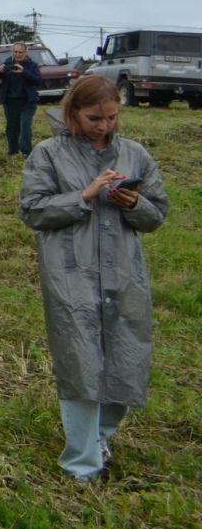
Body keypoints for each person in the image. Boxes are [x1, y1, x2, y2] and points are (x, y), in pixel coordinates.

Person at [19, 75, 170, 482]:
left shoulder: (135, 154)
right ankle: (81, 464)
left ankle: (103, 436)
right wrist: (83, 196)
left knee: (127, 356)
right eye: (93, 118)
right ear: (72, 113)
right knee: (81, 363)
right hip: (70, 273)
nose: (103, 126)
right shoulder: (48, 153)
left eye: (111, 117)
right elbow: (33, 210)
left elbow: (157, 215)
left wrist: (135, 202)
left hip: (124, 272)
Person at [0, 41, 44, 157]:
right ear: (12, 52)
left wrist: (24, 72)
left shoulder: (31, 65)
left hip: (27, 102)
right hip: (10, 101)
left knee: (25, 126)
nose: (18, 54)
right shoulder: (7, 64)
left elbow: (38, 81)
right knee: (11, 128)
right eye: (15, 52)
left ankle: (26, 153)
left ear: (25, 53)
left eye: (20, 52)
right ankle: (13, 152)